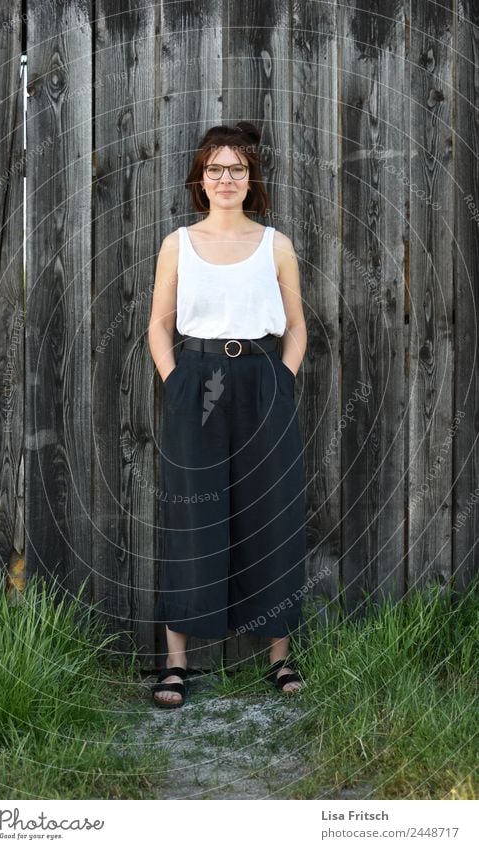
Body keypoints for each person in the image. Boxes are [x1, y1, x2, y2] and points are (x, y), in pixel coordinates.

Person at [147, 121, 308, 708]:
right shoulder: (178, 244)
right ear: (201, 177)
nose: (226, 179)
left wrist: (282, 380)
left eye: (237, 168)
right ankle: (175, 663)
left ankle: (279, 657)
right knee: (193, 517)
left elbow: (296, 327)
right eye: (215, 168)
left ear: (251, 178)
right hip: (197, 382)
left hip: (263, 382)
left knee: (272, 516)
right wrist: (177, 379)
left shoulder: (276, 246)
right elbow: (159, 324)